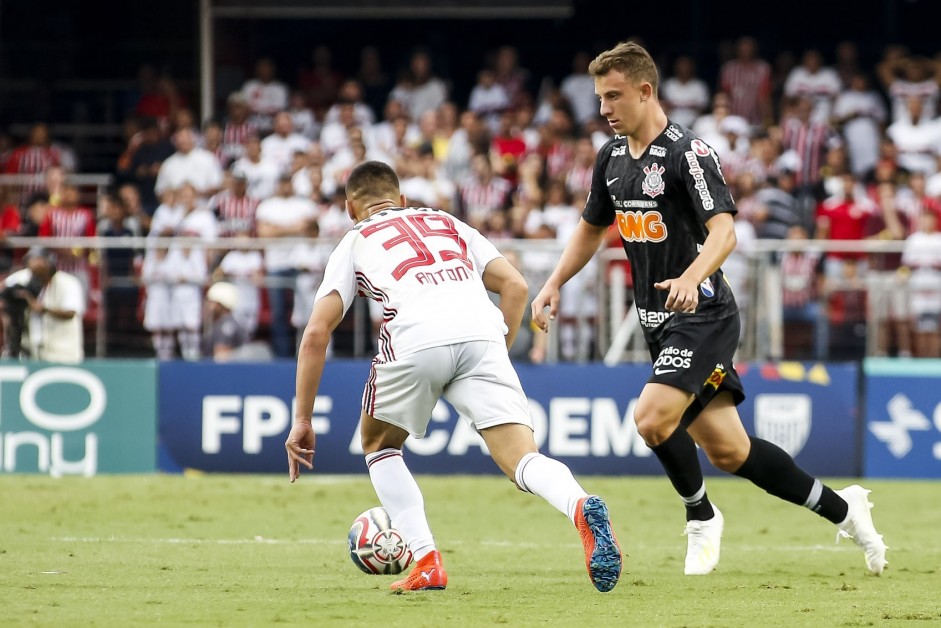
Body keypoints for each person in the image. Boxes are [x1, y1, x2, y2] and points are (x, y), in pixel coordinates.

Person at [530, 41, 886, 577]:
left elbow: (725, 231)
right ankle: (846, 508)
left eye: (613, 95)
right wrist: (554, 281)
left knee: (650, 418)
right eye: (600, 97)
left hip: (704, 315)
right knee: (730, 452)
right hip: (658, 319)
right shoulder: (609, 158)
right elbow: (590, 229)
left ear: (645, 91)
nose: (603, 108)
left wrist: (693, 277)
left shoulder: (687, 154)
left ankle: (701, 516)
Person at [285, 160, 622, 593]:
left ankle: (426, 561)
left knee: (379, 445)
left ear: (351, 208)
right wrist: (495, 351)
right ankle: (580, 504)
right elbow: (516, 286)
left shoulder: (354, 240)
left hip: (414, 337)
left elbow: (316, 333)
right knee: (521, 458)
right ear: (403, 199)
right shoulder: (446, 220)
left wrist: (303, 419)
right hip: (481, 333)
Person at [1, 247, 85, 363]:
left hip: (62, 352)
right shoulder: (20, 278)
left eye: (42, 267)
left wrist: (42, 308)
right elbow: (4, 293)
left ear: (51, 266)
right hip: (29, 349)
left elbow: (71, 312)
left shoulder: (68, 283)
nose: (37, 274)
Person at [203, 281, 248, 361]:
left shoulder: (226, 325)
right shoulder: (224, 322)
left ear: (221, 305)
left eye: (212, 302)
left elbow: (221, 357)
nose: (208, 305)